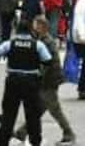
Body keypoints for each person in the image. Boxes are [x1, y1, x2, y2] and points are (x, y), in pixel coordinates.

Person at [13, 16, 76, 146]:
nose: (33, 27)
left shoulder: (47, 41)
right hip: (48, 79)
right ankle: (22, 132)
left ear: (42, 27)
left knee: (54, 110)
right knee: (38, 109)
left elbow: (47, 63)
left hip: (49, 81)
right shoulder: (43, 40)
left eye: (36, 25)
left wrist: (37, 76)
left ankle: (69, 133)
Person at [0, 19, 53, 146]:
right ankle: (35, 141)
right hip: (31, 82)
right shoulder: (37, 45)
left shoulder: (10, 43)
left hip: (13, 81)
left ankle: (3, 141)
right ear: (31, 30)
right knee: (32, 115)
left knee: (8, 114)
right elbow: (48, 60)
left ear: (17, 30)